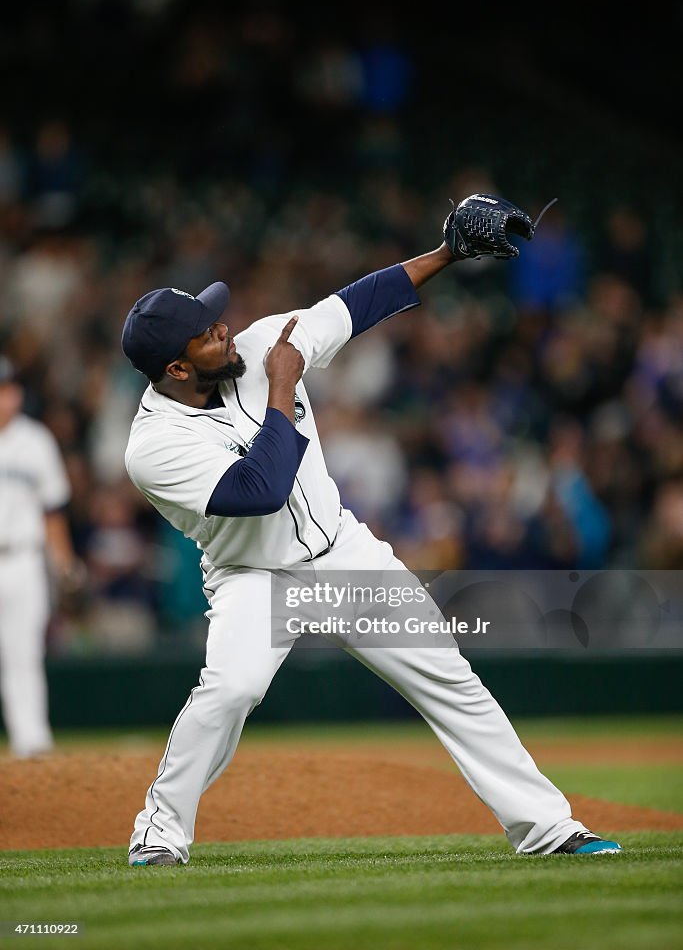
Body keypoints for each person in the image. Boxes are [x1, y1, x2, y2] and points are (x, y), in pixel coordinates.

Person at [121, 214, 622, 865]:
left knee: (450, 679)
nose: (225, 327)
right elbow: (260, 490)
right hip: (255, 576)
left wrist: (446, 252)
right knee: (231, 689)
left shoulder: (264, 340)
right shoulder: (153, 446)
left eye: (216, 315)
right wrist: (280, 385)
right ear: (177, 368)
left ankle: (548, 828)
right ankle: (158, 832)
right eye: (208, 332)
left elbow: (358, 303)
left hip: (342, 551)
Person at [0, 356, 80, 757]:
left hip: (23, 560)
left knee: (24, 653)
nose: (5, 397)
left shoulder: (36, 441)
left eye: (9, 389)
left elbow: (53, 513)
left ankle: (31, 742)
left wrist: (64, 567)